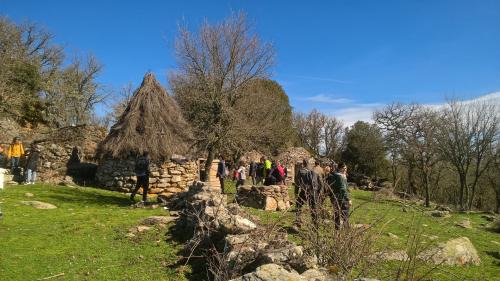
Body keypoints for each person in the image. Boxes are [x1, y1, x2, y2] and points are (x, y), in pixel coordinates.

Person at [294, 159, 321, 227]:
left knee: (298, 204)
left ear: (303, 163)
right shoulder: (315, 171)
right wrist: (319, 192)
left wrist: (296, 192)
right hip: (313, 192)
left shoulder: (301, 171)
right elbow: (320, 182)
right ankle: (315, 224)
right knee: (313, 208)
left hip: (304, 191)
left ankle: (298, 220)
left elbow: (298, 183)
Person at [325, 162, 351, 229]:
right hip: (342, 199)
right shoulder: (340, 177)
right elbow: (343, 189)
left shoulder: (336, 175)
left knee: (336, 215)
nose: (345, 170)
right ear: (339, 168)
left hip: (335, 198)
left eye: (346, 168)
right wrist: (348, 199)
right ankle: (346, 233)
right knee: (345, 215)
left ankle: (336, 232)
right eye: (344, 168)